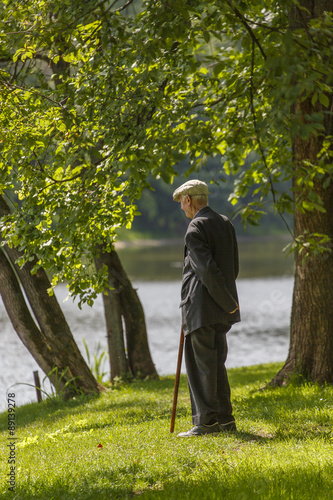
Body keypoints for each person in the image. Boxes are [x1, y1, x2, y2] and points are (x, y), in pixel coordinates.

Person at [173, 179, 240, 437]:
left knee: (201, 366)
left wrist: (225, 302)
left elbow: (207, 272)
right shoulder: (225, 222)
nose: (182, 208)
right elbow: (233, 268)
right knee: (216, 364)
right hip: (223, 309)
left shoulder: (194, 228)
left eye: (182, 202)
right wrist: (229, 304)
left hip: (200, 308)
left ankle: (206, 422)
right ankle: (225, 420)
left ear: (188, 199)